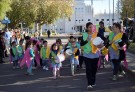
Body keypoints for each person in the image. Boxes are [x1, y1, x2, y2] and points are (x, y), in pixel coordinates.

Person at [80, 22, 105, 89]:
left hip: (95, 55)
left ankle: (93, 81)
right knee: (88, 69)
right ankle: (89, 84)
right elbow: (81, 44)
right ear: (87, 28)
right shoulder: (84, 35)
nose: (91, 28)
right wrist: (86, 40)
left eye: (92, 27)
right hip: (87, 55)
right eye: (89, 27)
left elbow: (105, 40)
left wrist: (102, 45)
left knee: (94, 69)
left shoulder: (97, 34)